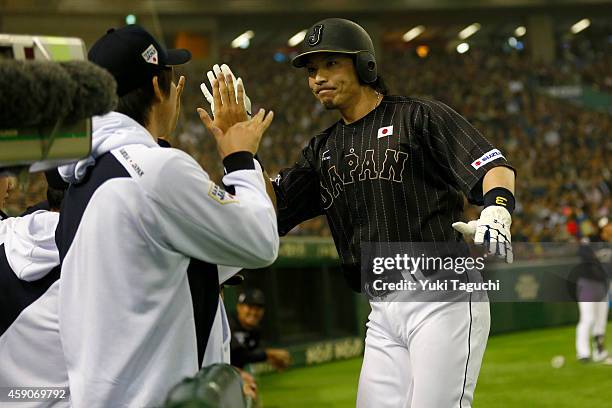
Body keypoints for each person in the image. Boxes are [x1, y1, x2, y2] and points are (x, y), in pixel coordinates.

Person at [209, 18, 516, 408]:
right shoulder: (322, 150)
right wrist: (243, 152)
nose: (318, 77)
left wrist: (498, 208)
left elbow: (492, 165)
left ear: (365, 66)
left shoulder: (417, 116)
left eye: (331, 64)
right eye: (311, 70)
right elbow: (270, 210)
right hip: (381, 308)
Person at [0, 24, 279, 408]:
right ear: (159, 87)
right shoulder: (156, 171)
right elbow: (261, 240)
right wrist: (240, 155)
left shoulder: (85, 178)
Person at [575, 216, 611, 363]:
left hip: (603, 285)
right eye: (608, 225)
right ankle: (583, 353)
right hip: (587, 284)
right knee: (588, 319)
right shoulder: (590, 240)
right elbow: (586, 259)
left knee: (601, 320)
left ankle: (599, 351)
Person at [229, 288, 291, 370]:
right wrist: (269, 354)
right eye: (250, 307)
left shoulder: (255, 330)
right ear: (239, 307)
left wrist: (269, 358)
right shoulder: (227, 323)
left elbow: (250, 354)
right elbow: (237, 355)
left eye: (258, 308)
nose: (254, 312)